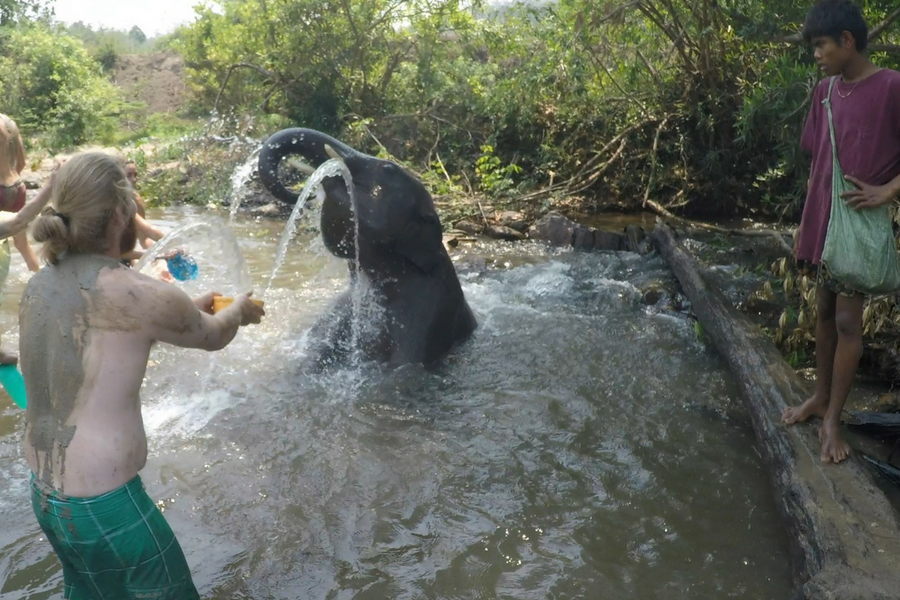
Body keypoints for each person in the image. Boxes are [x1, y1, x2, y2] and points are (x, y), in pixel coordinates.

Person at [20, 151, 264, 599]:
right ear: (119, 214)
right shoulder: (142, 292)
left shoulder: (40, 284)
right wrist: (238, 310)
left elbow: (111, 330)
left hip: (46, 495)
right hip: (107, 503)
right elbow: (213, 337)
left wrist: (189, 306)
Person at [782, 0, 900, 464]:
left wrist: (888, 191)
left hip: (859, 223)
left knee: (850, 322)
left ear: (847, 41)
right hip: (823, 219)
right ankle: (818, 397)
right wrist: (803, 225)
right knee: (824, 312)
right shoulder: (826, 92)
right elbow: (818, 163)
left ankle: (833, 417)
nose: (816, 54)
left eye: (821, 45)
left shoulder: (892, 87)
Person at [0, 115, 53, 364]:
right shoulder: (9, 124)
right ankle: (39, 273)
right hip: (14, 188)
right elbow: (20, 160)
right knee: (18, 241)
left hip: (5, 191)